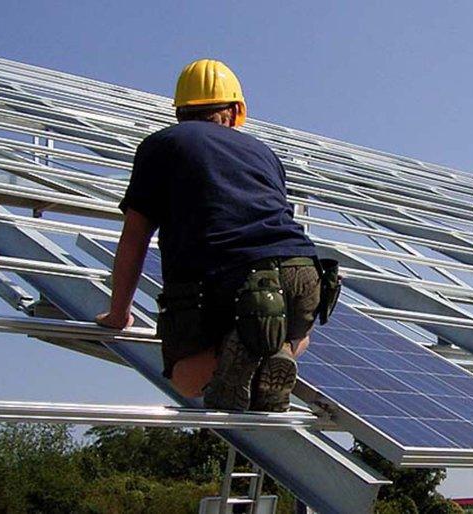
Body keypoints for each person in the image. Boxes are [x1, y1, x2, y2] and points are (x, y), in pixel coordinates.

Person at [95, 59, 320, 412]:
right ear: (233, 111)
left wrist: (117, 313)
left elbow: (135, 237)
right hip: (303, 271)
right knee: (297, 328)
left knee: (186, 381)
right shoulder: (264, 152)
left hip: (227, 273)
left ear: (180, 111)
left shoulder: (161, 145)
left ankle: (246, 347)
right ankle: (277, 349)